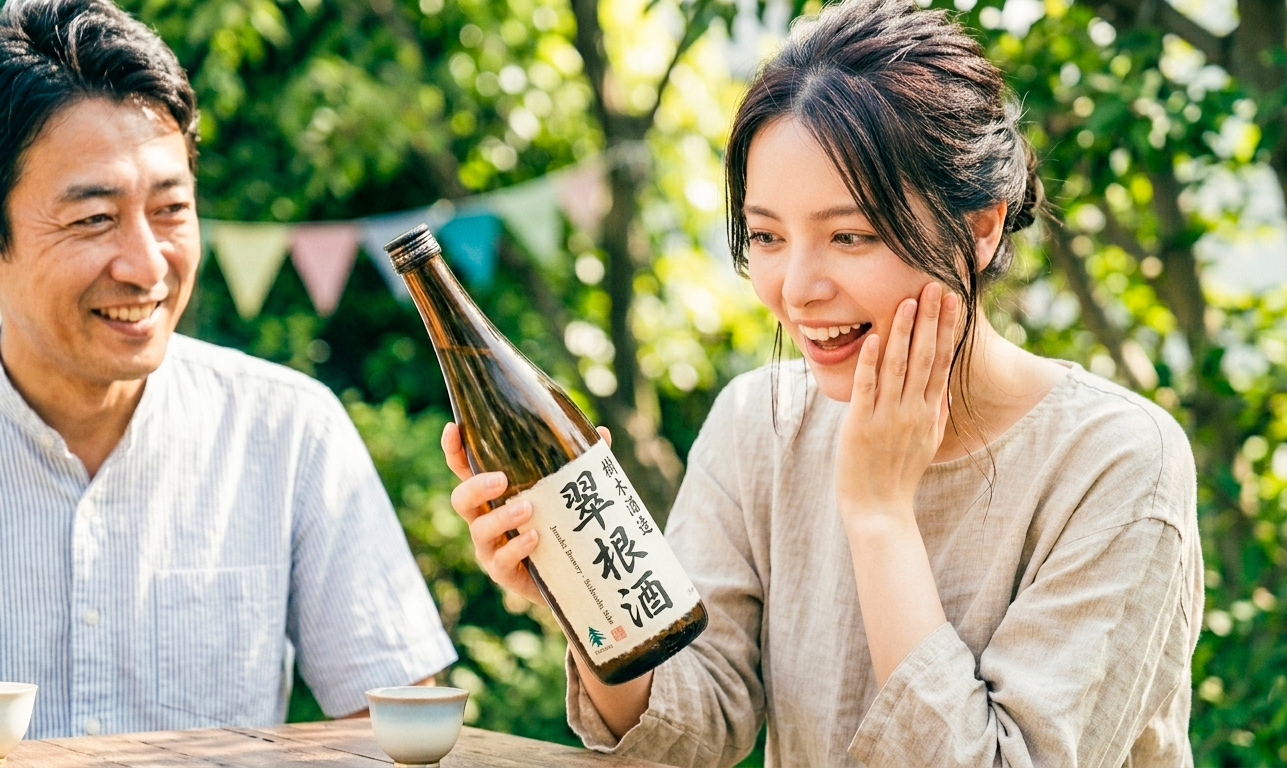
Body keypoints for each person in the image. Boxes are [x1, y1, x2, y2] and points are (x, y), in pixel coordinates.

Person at [445, 0, 1204, 765]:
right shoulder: (758, 422)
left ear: (979, 228)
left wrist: (879, 512)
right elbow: (687, 737)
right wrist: (580, 585)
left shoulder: (1117, 460)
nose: (798, 289)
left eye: (850, 235)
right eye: (767, 236)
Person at [0, 0, 457, 739]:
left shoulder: (288, 432)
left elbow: (398, 734)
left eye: (171, 209)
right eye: (93, 219)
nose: (148, 265)